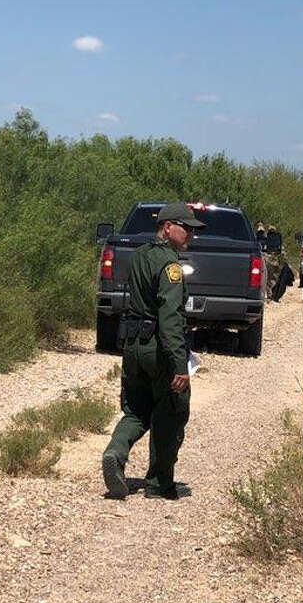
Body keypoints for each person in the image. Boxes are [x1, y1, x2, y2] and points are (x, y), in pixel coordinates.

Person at [101, 201, 203, 501]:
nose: (190, 236)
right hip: (158, 348)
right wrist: (179, 365)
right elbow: (170, 317)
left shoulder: (140, 255)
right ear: (167, 226)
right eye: (185, 228)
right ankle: (159, 483)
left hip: (133, 344)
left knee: (135, 410)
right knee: (170, 412)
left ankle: (115, 453)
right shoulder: (170, 266)